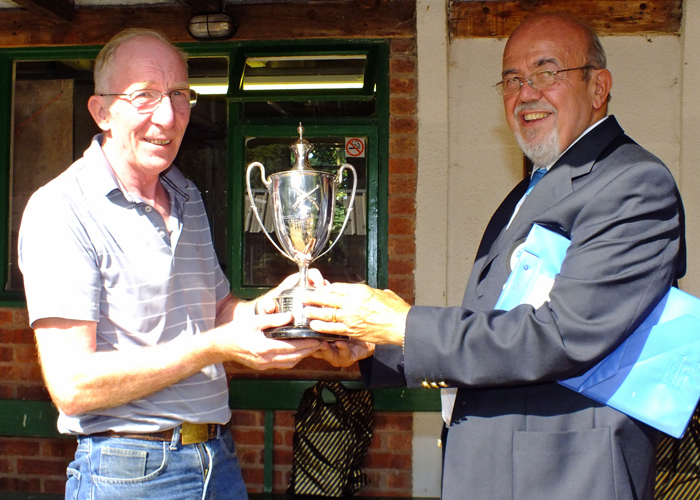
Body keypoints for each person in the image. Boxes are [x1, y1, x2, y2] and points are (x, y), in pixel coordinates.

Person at [304, 13, 686, 500]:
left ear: (599, 87)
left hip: (567, 477)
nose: (526, 93)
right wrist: (378, 345)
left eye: (547, 73)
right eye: (512, 79)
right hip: (502, 470)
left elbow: (564, 335)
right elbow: (496, 328)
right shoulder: (532, 189)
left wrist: (405, 325)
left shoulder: (632, 183)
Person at [18, 29, 321, 500]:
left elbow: (217, 310)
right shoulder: (62, 207)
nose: (168, 115)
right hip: (129, 472)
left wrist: (285, 305)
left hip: (217, 459)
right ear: (102, 112)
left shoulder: (186, 194)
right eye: (145, 96)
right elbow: (73, 385)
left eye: (179, 94)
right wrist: (213, 347)